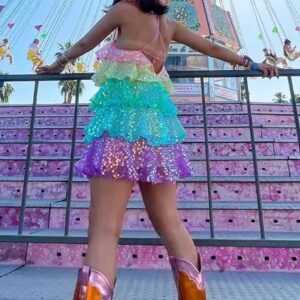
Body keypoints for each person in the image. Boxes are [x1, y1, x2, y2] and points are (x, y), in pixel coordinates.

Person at [36, 0, 277, 299]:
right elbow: (212, 49)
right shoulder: (170, 26)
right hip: (159, 136)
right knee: (171, 223)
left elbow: (86, 42)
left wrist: (59, 63)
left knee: (104, 231)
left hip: (120, 131)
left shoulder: (123, 10)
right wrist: (252, 65)